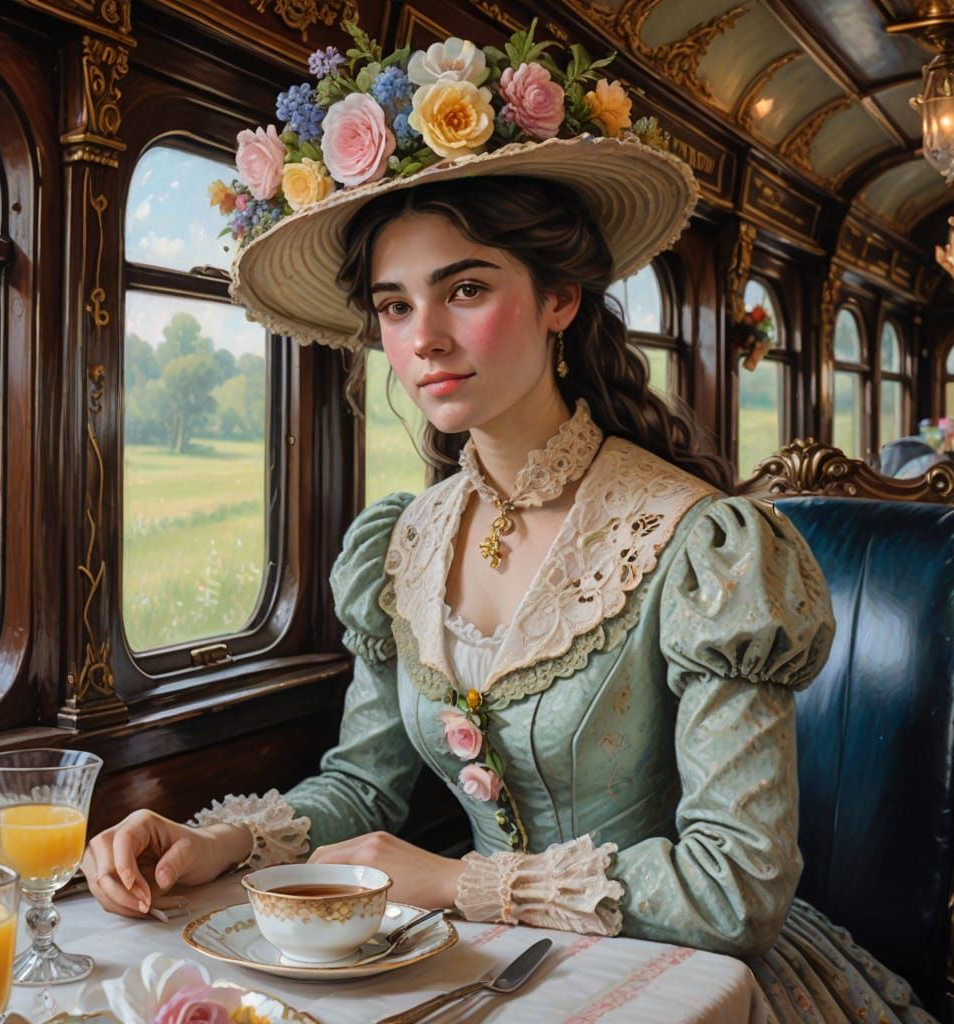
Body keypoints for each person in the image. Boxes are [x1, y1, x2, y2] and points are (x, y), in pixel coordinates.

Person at [82, 23, 939, 1024]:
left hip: (693, 977)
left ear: (560, 299)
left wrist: (451, 884)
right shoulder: (400, 542)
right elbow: (362, 786)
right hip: (489, 964)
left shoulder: (700, 545)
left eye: (468, 289)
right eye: (393, 307)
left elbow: (734, 889)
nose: (424, 339)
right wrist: (214, 840)